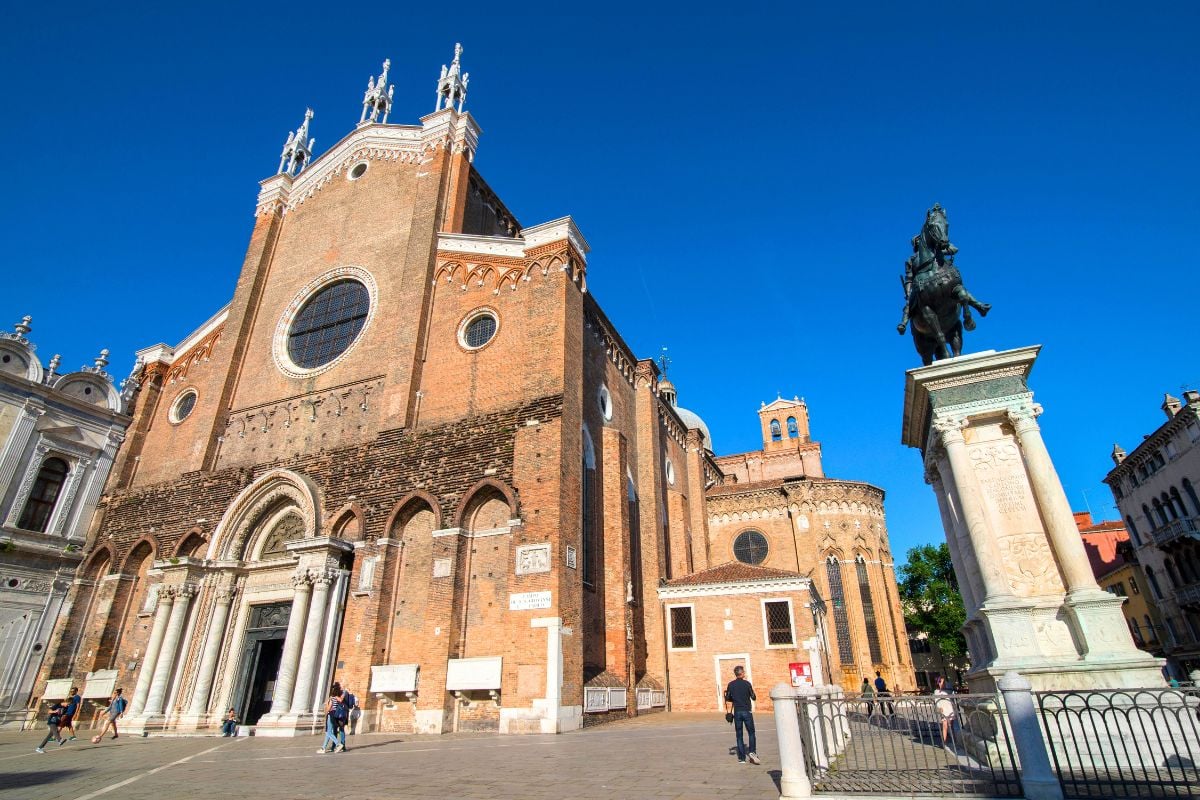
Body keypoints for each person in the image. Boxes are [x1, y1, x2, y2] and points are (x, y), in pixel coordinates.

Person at [724, 665, 760, 765]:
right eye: (744, 672)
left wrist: (735, 698)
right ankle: (752, 752)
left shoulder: (731, 684)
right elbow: (753, 697)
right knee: (751, 733)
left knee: (739, 735)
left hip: (737, 712)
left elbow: (727, 698)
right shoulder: (747, 684)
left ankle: (742, 758)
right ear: (742, 673)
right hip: (747, 711)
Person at [318, 684, 348, 754]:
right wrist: (344, 691)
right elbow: (341, 699)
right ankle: (323, 747)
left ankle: (338, 744)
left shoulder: (332, 698)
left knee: (328, 732)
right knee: (328, 732)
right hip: (335, 715)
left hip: (330, 714)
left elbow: (329, 708)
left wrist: (325, 713)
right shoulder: (337, 698)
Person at [933, 675, 956, 749]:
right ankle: (944, 741)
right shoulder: (936, 691)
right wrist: (939, 708)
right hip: (943, 709)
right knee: (944, 725)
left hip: (950, 709)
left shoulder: (948, 690)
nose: (942, 683)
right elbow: (936, 701)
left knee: (951, 726)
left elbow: (953, 696)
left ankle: (953, 740)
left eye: (943, 682)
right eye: (940, 682)